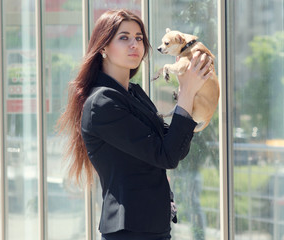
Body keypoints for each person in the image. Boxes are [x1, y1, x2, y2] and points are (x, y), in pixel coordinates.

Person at [57, 9, 213, 240]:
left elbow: (174, 145)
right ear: (103, 48)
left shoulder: (134, 94)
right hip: (129, 230)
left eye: (139, 38)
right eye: (124, 37)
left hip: (154, 227)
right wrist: (186, 94)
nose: (135, 44)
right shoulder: (102, 103)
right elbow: (167, 155)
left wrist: (193, 95)